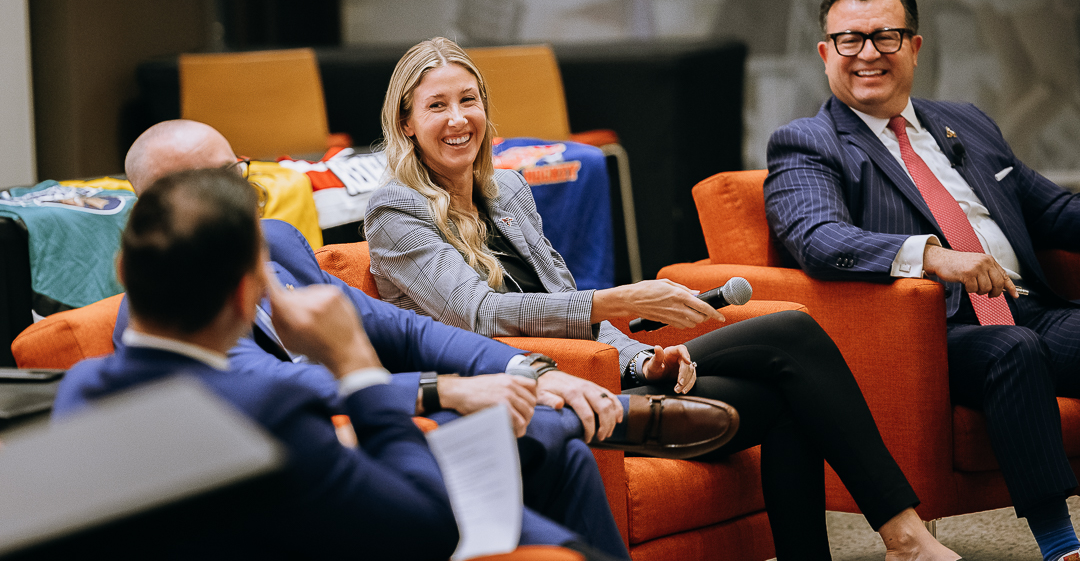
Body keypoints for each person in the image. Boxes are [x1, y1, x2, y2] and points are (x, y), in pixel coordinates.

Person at [363, 36, 961, 561]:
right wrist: (615, 301)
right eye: (436, 105)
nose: (458, 118)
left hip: (607, 375)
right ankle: (905, 536)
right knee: (790, 334)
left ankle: (892, 541)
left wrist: (642, 360)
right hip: (536, 395)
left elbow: (565, 302)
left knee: (790, 394)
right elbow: (479, 315)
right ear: (407, 123)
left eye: (468, 100)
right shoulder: (396, 211)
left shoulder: (508, 191)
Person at [114, 120, 734, 561]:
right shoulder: (174, 319)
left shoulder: (270, 242)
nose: (245, 191)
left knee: (556, 445)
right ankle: (613, 416)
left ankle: (598, 415)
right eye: (219, 183)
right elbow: (278, 386)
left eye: (237, 171)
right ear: (161, 211)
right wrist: (444, 391)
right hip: (332, 456)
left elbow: (403, 326)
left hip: (367, 424)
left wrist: (529, 370)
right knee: (545, 454)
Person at [764, 0, 1080, 561]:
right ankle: (1061, 546)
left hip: (1029, 306)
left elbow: (1055, 209)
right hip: (933, 333)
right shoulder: (807, 141)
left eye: (885, 37)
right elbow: (817, 238)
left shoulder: (967, 122)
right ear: (824, 53)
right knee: (1013, 351)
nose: (867, 55)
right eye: (849, 40)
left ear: (914, 46)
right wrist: (935, 257)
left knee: (1028, 338)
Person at [53, 169, 463, 559]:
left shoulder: (80, 389)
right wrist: (356, 363)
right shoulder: (272, 413)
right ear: (246, 294)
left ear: (122, 270)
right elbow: (428, 531)